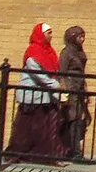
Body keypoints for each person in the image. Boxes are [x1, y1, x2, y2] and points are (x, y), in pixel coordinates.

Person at [4, 22, 65, 162]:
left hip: (44, 97)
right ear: (41, 35)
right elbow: (38, 74)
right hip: (31, 96)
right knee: (24, 128)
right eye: (48, 33)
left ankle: (44, 155)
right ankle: (15, 154)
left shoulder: (48, 51)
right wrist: (56, 85)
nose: (51, 36)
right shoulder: (33, 52)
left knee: (45, 128)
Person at [57, 25, 90, 161]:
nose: (82, 39)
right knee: (72, 118)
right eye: (79, 37)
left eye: (83, 36)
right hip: (70, 88)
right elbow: (61, 72)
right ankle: (73, 150)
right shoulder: (66, 53)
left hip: (79, 87)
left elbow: (82, 71)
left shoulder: (80, 52)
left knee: (79, 119)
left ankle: (72, 149)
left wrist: (85, 89)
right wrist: (64, 91)